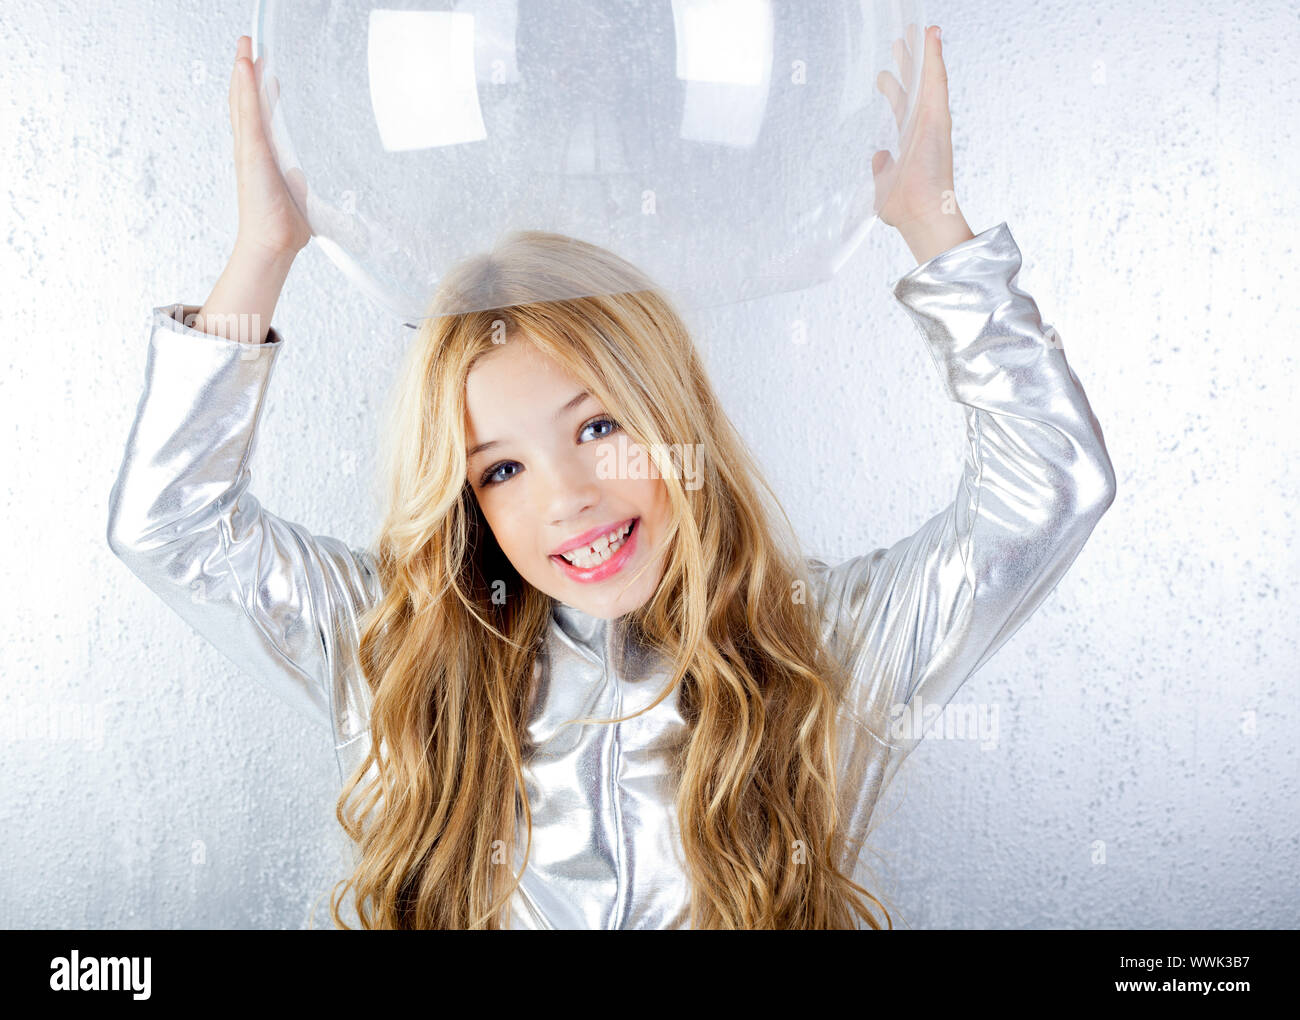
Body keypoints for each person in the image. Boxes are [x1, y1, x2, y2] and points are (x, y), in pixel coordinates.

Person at [106, 27, 1115, 929]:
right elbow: (169, 527)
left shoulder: (827, 646)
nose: (567, 497)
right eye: (500, 467)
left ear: (672, 415)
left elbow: (1051, 490)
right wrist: (261, 252)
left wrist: (933, 223)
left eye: (596, 425)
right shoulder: (399, 652)